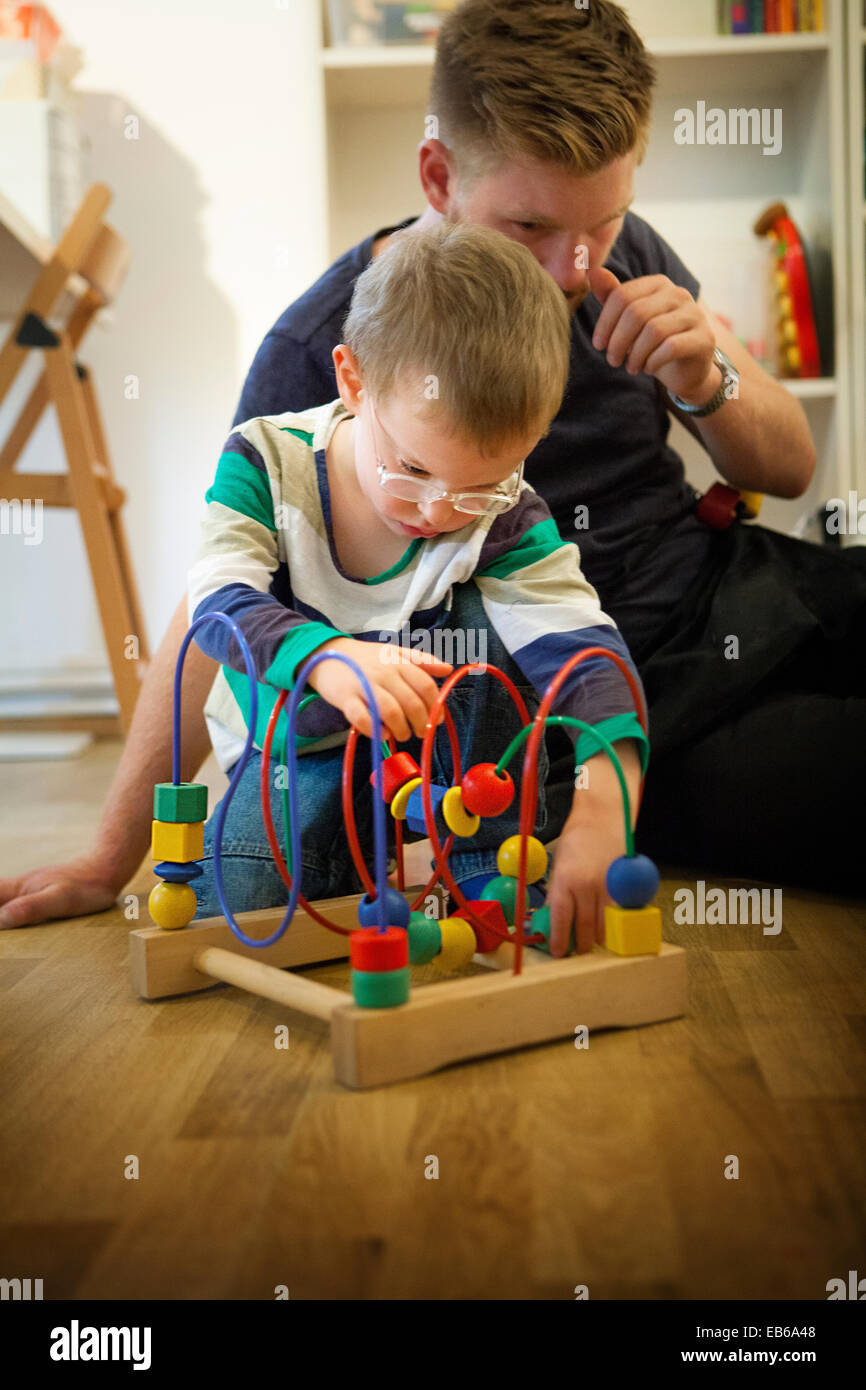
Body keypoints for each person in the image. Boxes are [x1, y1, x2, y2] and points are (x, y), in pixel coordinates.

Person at [2, 0, 863, 935]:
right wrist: (110, 855)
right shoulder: (320, 348)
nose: (571, 269)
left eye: (604, 223)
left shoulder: (609, 259)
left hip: (725, 592)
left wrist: (709, 376)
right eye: (529, 226)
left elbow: (790, 466)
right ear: (438, 175)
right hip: (593, 703)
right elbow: (217, 593)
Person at [187, 221, 648, 954]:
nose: (439, 512)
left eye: (480, 485)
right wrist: (327, 657)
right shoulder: (262, 462)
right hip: (296, 752)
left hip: (454, 760)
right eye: (413, 468)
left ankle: (474, 855)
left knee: (487, 609)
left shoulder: (504, 513)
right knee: (240, 902)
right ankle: (346, 858)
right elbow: (218, 607)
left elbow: (586, 652)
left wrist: (603, 806)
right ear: (352, 380)